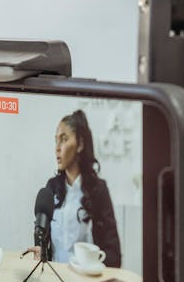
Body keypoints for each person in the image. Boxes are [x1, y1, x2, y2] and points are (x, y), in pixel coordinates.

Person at [37, 109, 121, 267]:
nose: (57, 147)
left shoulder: (98, 190)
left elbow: (113, 253)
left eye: (64, 139)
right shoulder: (52, 187)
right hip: (56, 281)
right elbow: (43, 244)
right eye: (56, 140)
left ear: (80, 144)